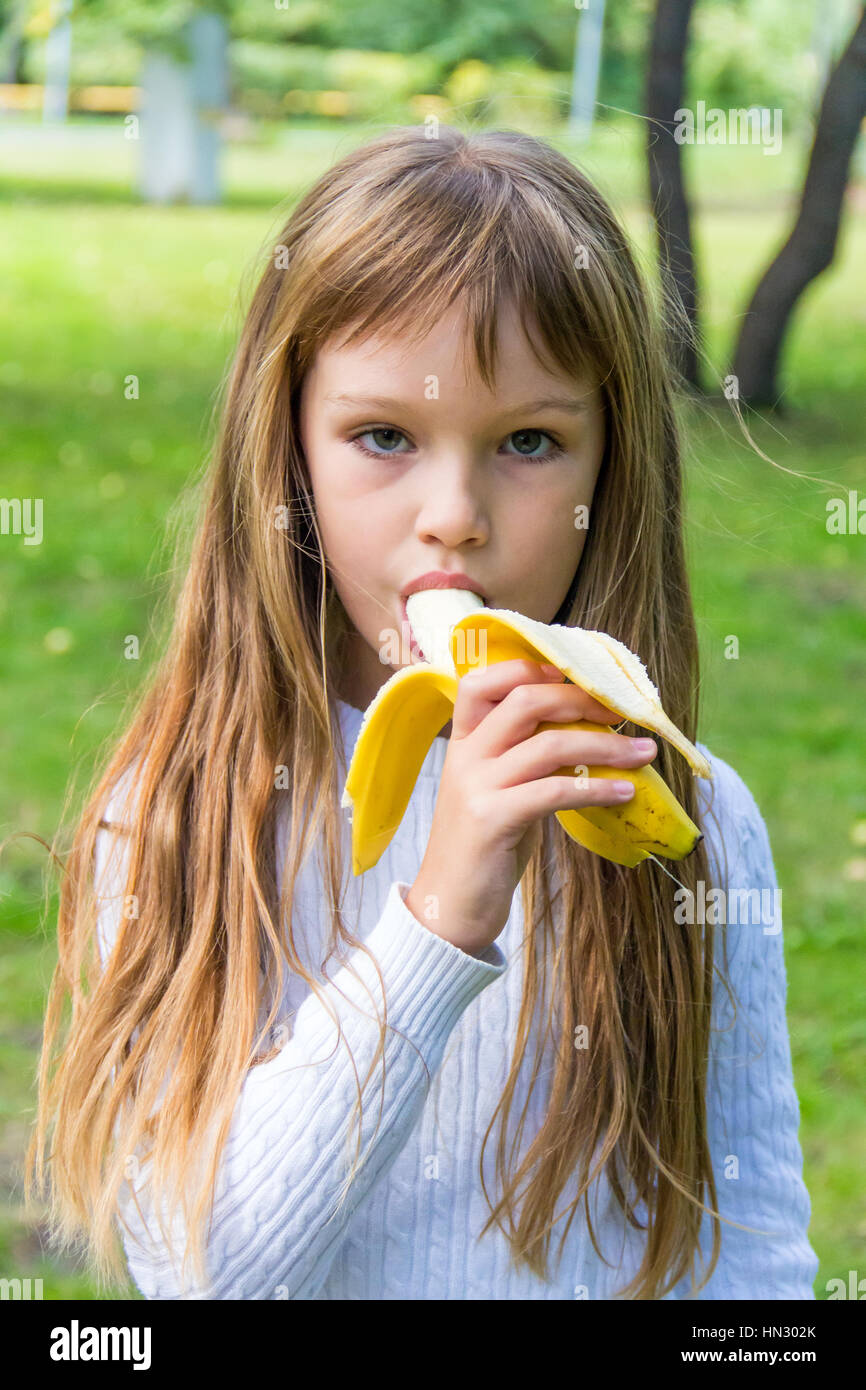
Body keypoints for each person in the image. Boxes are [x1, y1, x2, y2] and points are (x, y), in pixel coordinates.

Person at [26, 125, 819, 1300]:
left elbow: (745, 1243)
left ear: (610, 469)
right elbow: (208, 1274)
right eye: (383, 436)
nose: (454, 513)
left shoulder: (686, 817)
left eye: (529, 443)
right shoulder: (176, 816)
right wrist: (443, 910)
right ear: (286, 449)